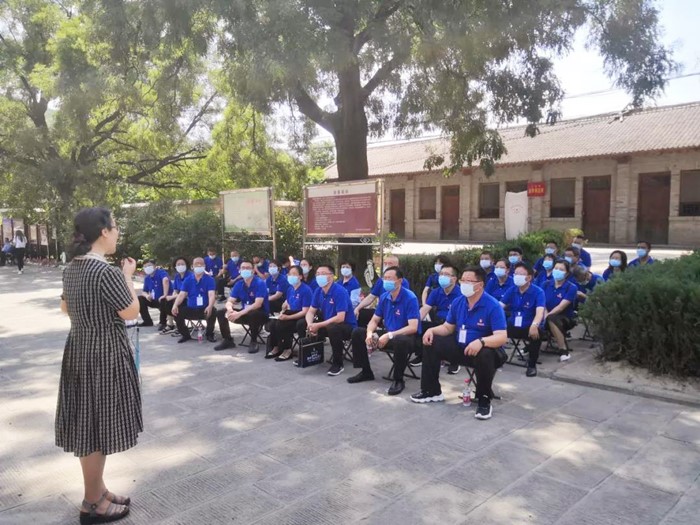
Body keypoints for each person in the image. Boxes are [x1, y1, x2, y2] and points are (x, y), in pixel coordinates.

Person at [57, 207, 139, 524]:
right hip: (104, 352)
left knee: (87, 423)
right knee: (97, 426)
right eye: (114, 227)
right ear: (103, 232)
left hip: (79, 347)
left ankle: (98, 490)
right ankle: (92, 502)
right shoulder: (106, 272)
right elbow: (130, 311)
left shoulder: (72, 267)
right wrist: (128, 277)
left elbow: (65, 307)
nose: (117, 232)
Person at [411, 266, 507, 421]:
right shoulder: (458, 302)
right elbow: (448, 327)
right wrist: (432, 330)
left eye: (469, 281)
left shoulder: (492, 306)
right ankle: (431, 391)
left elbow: (502, 337)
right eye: (463, 280)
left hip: (486, 352)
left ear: (480, 285)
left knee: (485, 354)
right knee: (431, 342)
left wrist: (482, 342)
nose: (464, 284)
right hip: (461, 346)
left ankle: (484, 399)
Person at [348, 266, 421, 395]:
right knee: (358, 332)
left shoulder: (410, 298)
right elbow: (374, 320)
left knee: (400, 341)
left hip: (406, 336)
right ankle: (366, 371)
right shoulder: (384, 297)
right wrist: (369, 334)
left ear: (399, 281)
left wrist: (389, 335)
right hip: (388, 333)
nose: (386, 281)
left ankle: (398, 380)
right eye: (385, 278)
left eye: (390, 278)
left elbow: (413, 327)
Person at [297, 264, 358, 376]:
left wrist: (318, 325)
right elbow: (311, 311)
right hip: (327, 323)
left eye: (323, 274)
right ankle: (307, 355)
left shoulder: (339, 291)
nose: (319, 276)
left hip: (346, 326)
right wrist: (310, 324)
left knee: (333, 328)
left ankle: (338, 364)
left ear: (331, 276)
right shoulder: (318, 291)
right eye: (318, 274)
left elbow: (340, 318)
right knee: (302, 323)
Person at [499, 263, 546, 377]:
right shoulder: (512, 290)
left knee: (536, 335)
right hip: (513, 323)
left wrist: (534, 325)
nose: (516, 276)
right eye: (515, 274)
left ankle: (531, 365)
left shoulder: (538, 292)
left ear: (529, 277)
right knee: (494, 331)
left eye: (520, 274)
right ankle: (497, 359)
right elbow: (499, 306)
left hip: (529, 325)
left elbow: (540, 312)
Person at [214, 260, 270, 353]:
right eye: (243, 268)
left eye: (248, 268)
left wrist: (239, 313)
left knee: (253, 314)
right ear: (240, 270)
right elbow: (230, 301)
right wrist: (230, 310)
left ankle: (254, 341)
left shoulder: (260, 283)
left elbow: (257, 304)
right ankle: (227, 340)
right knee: (221, 312)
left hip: (260, 313)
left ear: (253, 271)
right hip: (244, 312)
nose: (245, 270)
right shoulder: (239, 284)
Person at [415, 264, 461, 370]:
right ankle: (421, 355)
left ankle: (455, 361)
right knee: (419, 327)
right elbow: (425, 309)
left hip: (452, 325)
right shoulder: (436, 292)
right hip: (437, 322)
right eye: (441, 274)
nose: (442, 277)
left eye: (446, 274)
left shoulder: (460, 294)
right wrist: (414, 322)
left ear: (454, 279)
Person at [266, 265, 313, 361]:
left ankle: (287, 349)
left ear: (300, 276)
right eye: (290, 274)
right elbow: (288, 302)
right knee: (272, 323)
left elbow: (305, 311)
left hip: (301, 315)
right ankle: (276, 347)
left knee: (282, 324)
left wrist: (287, 317)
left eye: (294, 274)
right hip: (291, 312)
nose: (291, 276)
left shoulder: (306, 290)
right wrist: (283, 310)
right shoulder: (290, 289)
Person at [354, 255, 410, 327]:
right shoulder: (381, 281)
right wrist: (358, 308)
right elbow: (371, 297)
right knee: (360, 314)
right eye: (385, 263)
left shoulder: (402, 282)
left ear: (397, 266)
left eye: (390, 263)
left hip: (395, 313)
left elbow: (401, 302)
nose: (387, 266)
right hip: (381, 312)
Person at [171, 257, 217, 344]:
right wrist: (175, 305)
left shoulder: (210, 280)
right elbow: (182, 294)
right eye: (196, 264)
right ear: (192, 266)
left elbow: (211, 295)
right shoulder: (188, 280)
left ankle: (209, 334)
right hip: (191, 308)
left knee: (213, 311)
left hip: (204, 309)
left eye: (201, 264)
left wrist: (210, 306)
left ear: (204, 266)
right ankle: (185, 335)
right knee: (177, 312)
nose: (199, 265)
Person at [542, 260, 578, 361]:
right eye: (556, 268)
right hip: (545, 313)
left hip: (564, 317)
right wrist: (544, 314)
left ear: (566, 273)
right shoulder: (546, 284)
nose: (557, 271)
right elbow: (541, 302)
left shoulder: (571, 287)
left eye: (561, 269)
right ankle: (530, 345)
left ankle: (563, 350)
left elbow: (561, 307)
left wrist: (546, 316)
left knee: (551, 318)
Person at [160, 257, 191, 334]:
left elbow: (187, 292)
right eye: (178, 264)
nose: (180, 266)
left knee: (177, 303)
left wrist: (173, 297)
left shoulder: (190, 276)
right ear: (175, 266)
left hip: (188, 298)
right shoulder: (177, 276)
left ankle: (181, 327)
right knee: (165, 301)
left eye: (182, 264)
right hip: (178, 297)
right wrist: (173, 297)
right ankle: (170, 324)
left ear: (186, 265)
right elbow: (175, 290)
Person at [137, 260, 170, 329]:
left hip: (164, 300)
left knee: (163, 299)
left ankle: (163, 323)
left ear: (154, 266)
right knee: (140, 299)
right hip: (154, 299)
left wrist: (165, 294)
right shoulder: (147, 278)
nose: (147, 268)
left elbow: (165, 280)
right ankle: (147, 321)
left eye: (149, 265)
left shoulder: (161, 272)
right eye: (145, 266)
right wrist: (147, 296)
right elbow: (144, 291)